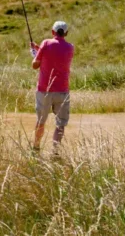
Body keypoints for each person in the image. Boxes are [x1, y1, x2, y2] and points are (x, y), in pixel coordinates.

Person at [30, 21, 75, 154]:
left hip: (44, 90)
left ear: (52, 32)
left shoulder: (46, 43)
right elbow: (56, 57)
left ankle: (36, 148)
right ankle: (55, 152)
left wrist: (35, 53)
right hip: (62, 90)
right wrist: (39, 50)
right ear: (66, 33)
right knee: (60, 124)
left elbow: (35, 65)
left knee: (41, 121)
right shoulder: (70, 47)